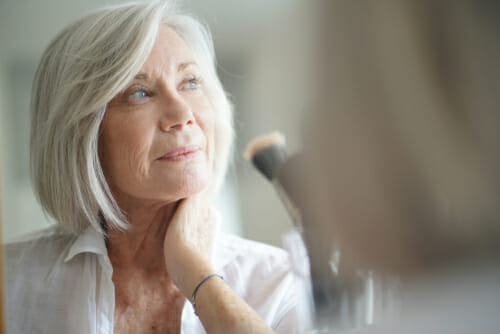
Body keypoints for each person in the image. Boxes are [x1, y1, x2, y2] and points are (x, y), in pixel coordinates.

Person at [3, 2, 300, 333]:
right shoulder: (10, 282)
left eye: (189, 82)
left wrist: (195, 272)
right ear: (82, 136)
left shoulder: (282, 283)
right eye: (139, 93)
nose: (182, 113)